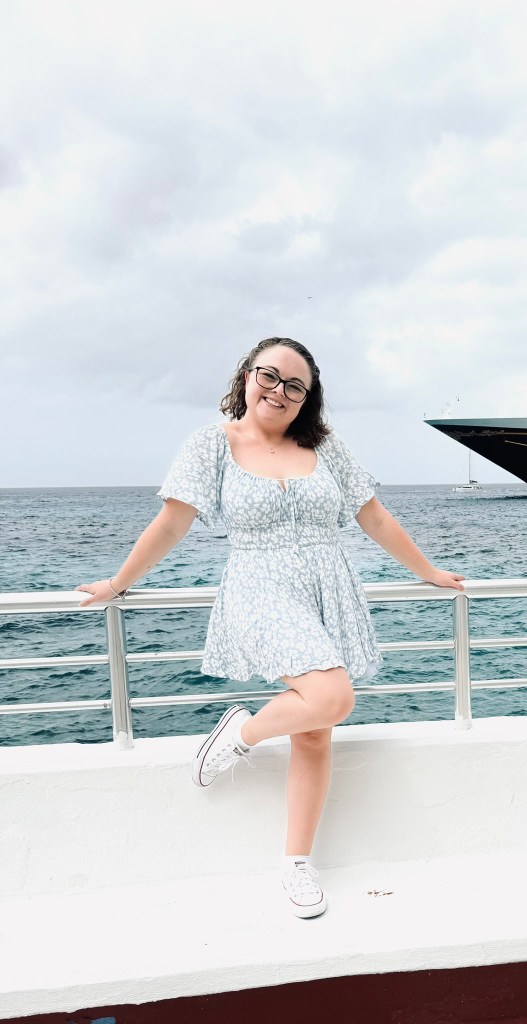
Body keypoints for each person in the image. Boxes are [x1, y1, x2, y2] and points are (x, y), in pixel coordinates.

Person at [76, 337, 464, 919]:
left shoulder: (326, 447)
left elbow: (373, 516)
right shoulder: (213, 443)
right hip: (260, 587)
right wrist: (117, 582)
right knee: (332, 696)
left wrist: (429, 572)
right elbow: (171, 522)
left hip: (327, 586)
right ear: (247, 376)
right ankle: (242, 734)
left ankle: (296, 863)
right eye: (269, 376)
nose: (278, 391)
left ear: (308, 399)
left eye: (294, 385)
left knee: (315, 728)